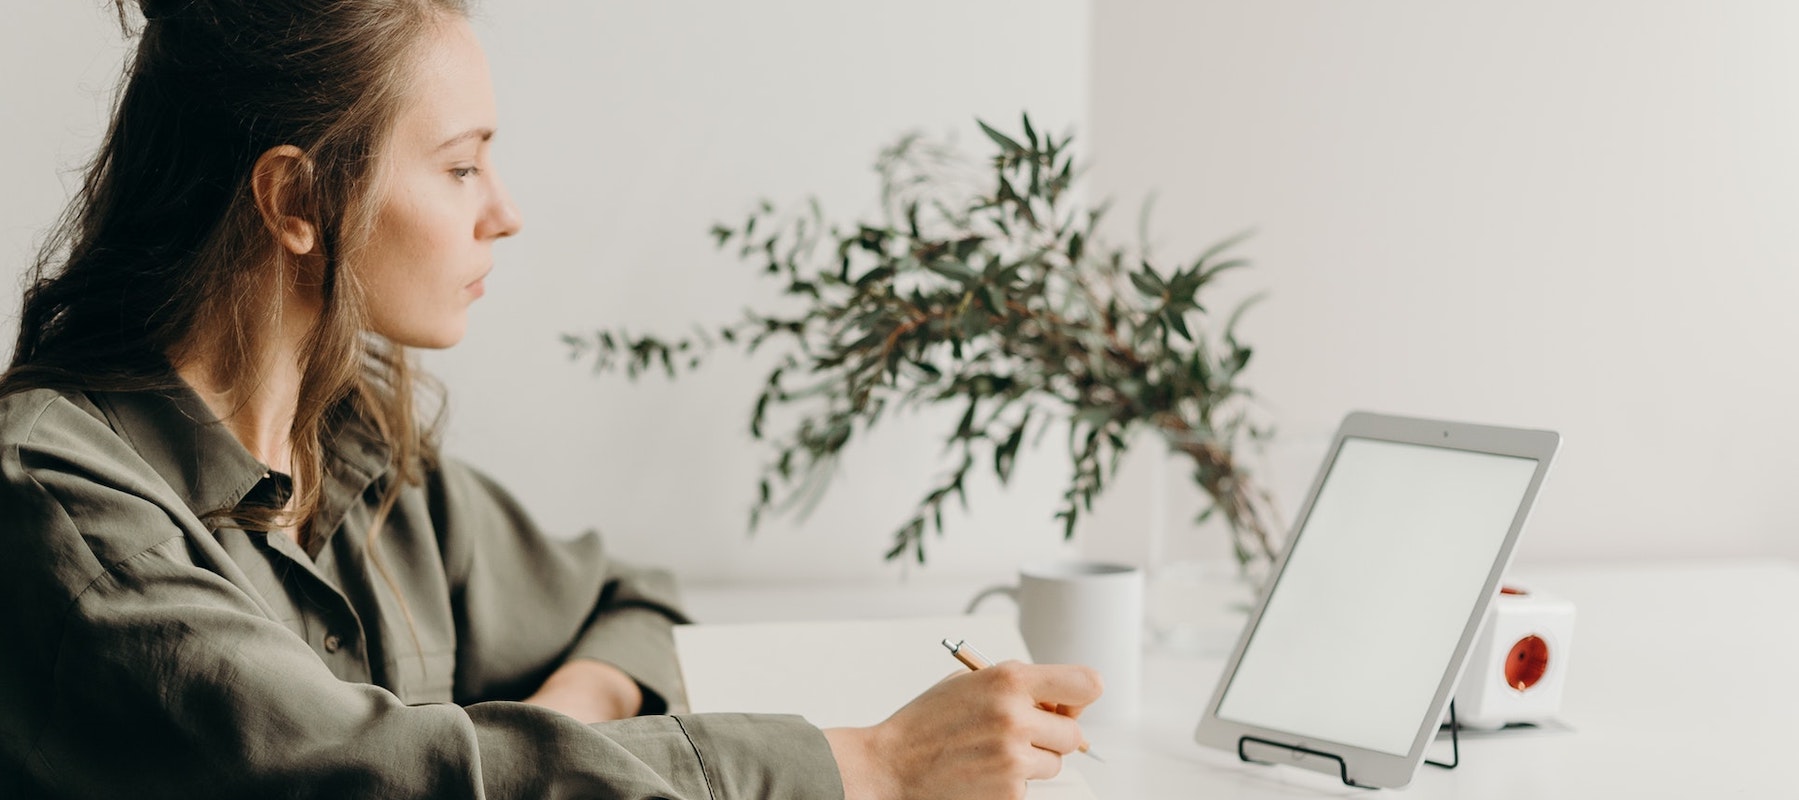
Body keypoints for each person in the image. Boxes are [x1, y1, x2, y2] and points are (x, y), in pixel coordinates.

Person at [0, 1, 1103, 798]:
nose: (506, 212)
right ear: (295, 198)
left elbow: (627, 601)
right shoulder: (55, 501)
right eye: (462, 166)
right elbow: (355, 775)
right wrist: (872, 761)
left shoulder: (359, 452)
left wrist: (562, 726)